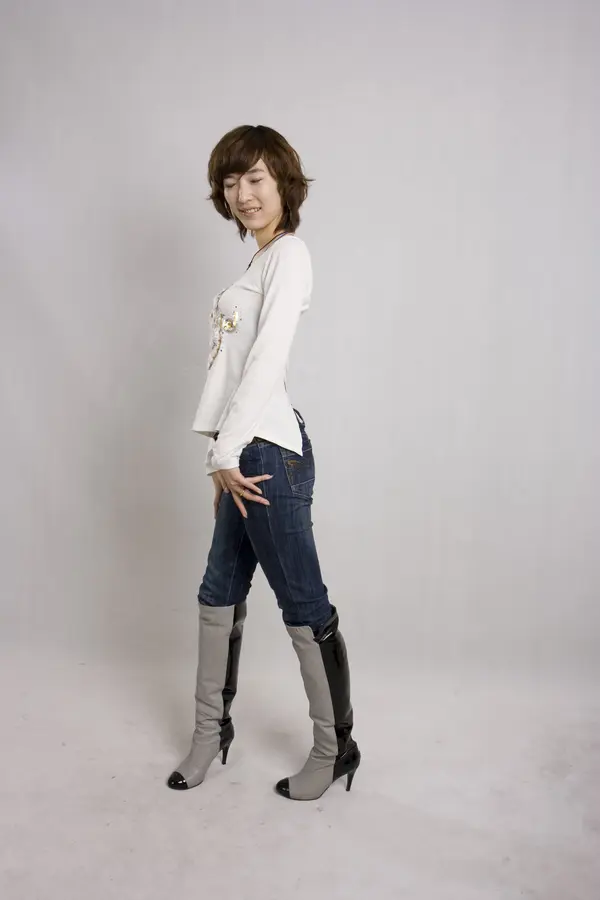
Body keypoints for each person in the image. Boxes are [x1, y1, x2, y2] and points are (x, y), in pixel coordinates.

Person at [166, 124, 360, 801]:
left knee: (302, 602)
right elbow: (231, 373)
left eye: (255, 178)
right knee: (217, 593)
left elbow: (268, 358)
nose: (242, 193)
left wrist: (227, 450)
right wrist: (220, 457)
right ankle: (209, 733)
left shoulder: (290, 255)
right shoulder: (256, 264)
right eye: (230, 181)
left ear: (283, 184)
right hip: (242, 452)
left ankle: (336, 748)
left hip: (267, 453)